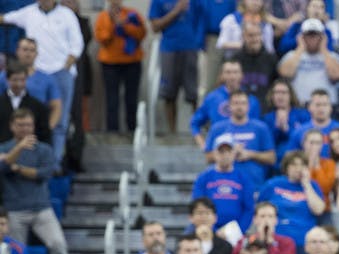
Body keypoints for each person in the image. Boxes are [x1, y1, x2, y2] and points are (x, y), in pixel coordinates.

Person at [0, 0, 84, 164]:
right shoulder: (28, 12)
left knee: (61, 122)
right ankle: (22, 158)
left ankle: (54, 162)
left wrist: (66, 66)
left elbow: (77, 44)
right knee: (28, 118)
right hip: (35, 73)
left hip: (60, 72)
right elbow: (5, 19)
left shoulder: (67, 15)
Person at [0, 109, 69, 254]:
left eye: (28, 125)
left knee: (58, 244)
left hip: (41, 208)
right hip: (15, 210)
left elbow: (44, 173)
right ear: (12, 126)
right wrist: (19, 148)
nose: (25, 129)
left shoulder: (44, 150)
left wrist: (19, 169)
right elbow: (3, 168)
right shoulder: (5, 147)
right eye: (21, 125)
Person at [147, 0, 202, 133]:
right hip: (169, 49)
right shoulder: (157, 1)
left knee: (192, 93)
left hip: (190, 48)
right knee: (169, 93)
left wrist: (196, 41)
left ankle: (196, 130)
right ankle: (172, 132)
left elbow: (200, 21)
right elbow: (155, 27)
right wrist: (175, 11)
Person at [94, 0, 146, 133]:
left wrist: (125, 26)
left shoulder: (132, 14)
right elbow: (102, 39)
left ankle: (133, 131)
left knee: (131, 99)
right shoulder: (103, 17)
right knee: (112, 100)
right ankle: (112, 132)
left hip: (132, 63)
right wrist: (113, 25)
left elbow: (142, 33)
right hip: (110, 64)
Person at [276, 18, 339, 108]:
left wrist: (324, 50)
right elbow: (285, 74)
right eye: (309, 35)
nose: (312, 38)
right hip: (299, 105)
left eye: (315, 35)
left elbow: (337, 76)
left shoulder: (332, 56)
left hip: (325, 107)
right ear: (302, 37)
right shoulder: (292, 55)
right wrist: (300, 49)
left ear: (322, 37)